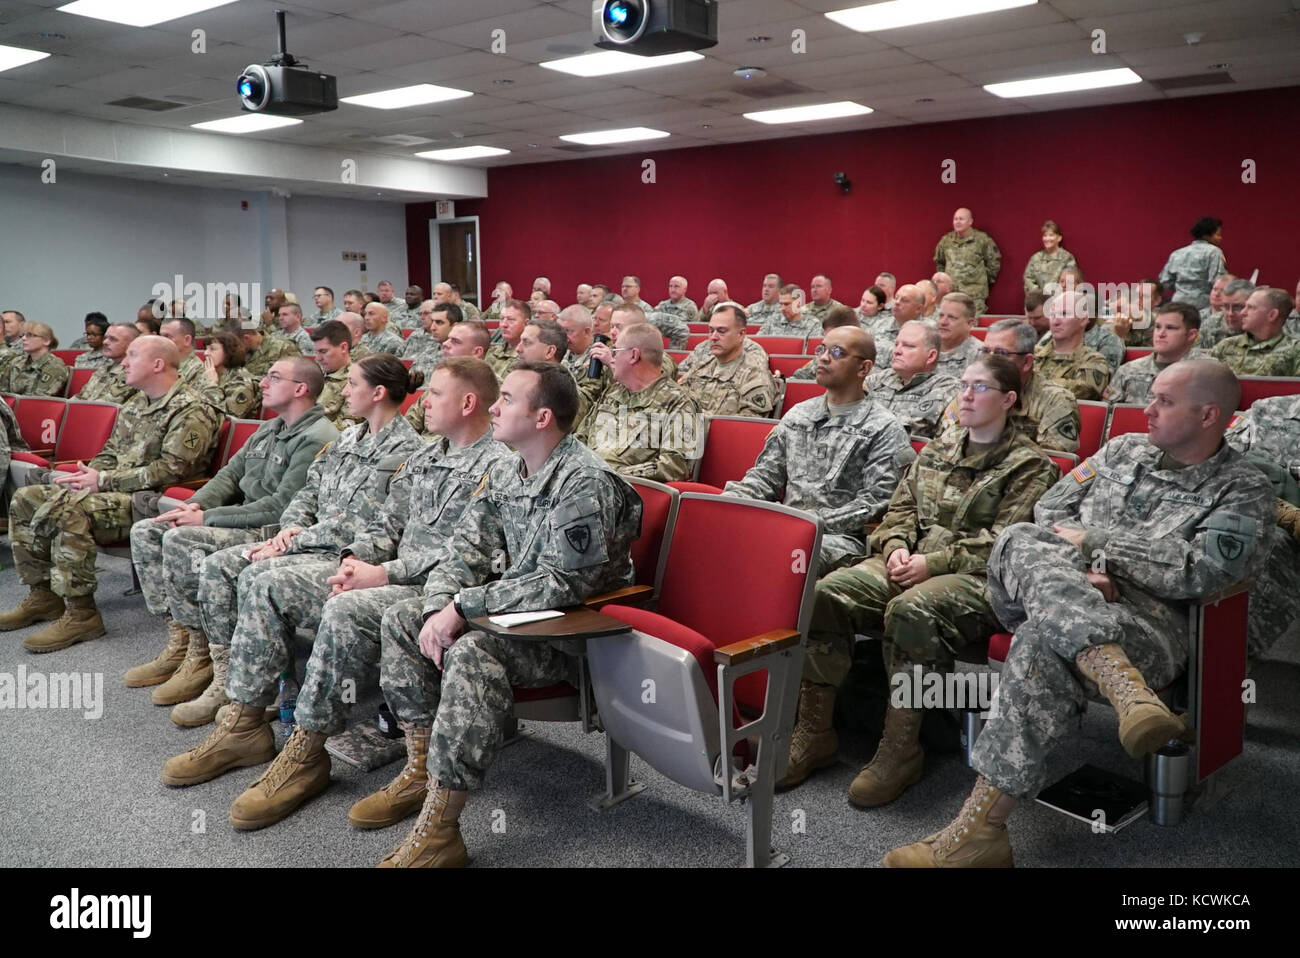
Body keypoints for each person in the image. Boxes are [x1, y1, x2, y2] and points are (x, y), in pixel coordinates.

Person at [885, 360, 1273, 868]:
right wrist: (1079, 568)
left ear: (1208, 415)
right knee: (1021, 536)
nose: (1147, 410)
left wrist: (1098, 547)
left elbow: (1201, 573)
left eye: (1164, 402)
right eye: (1149, 397)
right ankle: (1122, 688)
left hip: (1151, 630)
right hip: (1055, 586)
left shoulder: (1243, 487)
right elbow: (1048, 511)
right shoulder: (1122, 450)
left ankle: (979, 831)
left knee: (1043, 638)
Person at [159, 361, 510, 829]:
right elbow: (386, 526)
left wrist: (381, 573)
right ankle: (245, 722)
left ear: (468, 403)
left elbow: (468, 554)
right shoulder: (427, 457)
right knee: (266, 581)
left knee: (344, 607)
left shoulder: (500, 465)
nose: (424, 401)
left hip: (440, 588)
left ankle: (309, 748)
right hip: (392, 573)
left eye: (437, 395)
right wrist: (354, 561)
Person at [370, 362, 642, 867]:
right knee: (404, 620)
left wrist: (464, 607)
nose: (494, 406)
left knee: (473, 649)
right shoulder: (507, 468)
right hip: (520, 620)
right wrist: (438, 607)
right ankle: (420, 766)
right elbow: (464, 551)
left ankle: (441, 829)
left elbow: (566, 584)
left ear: (542, 418)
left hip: (573, 640)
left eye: (508, 399)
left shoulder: (582, 481)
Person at [781, 355, 1058, 793]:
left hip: (977, 578)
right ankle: (815, 732)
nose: (966, 394)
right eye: (964, 384)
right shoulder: (938, 447)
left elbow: (1005, 541)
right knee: (826, 595)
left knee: (914, 610)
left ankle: (901, 746)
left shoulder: (1031, 466)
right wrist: (894, 548)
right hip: (908, 562)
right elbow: (900, 510)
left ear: (1008, 399)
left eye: (980, 387)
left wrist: (933, 563)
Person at [155, 354, 425, 742]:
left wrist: (295, 539)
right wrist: (292, 525)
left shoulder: (404, 451)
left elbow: (366, 525)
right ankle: (239, 681)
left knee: (258, 577)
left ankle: (261, 696)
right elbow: (308, 491)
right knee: (222, 567)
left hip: (349, 555)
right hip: (310, 542)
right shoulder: (349, 436)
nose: (343, 391)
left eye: (351, 384)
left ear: (378, 392)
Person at [124, 357, 338, 722]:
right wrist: (192, 505)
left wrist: (206, 517)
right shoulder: (269, 429)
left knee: (182, 540)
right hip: (238, 519)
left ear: (301, 388)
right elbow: (228, 476)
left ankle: (221, 667)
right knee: (148, 530)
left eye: (273, 377)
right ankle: (189, 644)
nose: (263, 383)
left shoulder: (317, 437)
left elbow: (281, 507)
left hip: (270, 531)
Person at [0, 336, 222, 651]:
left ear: (157, 364)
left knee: (69, 510)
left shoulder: (193, 408)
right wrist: (87, 475)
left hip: (150, 501)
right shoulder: (136, 401)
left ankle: (82, 613)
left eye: (132, 355)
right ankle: (44, 594)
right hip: (112, 490)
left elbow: (173, 471)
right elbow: (110, 452)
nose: (124, 362)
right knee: (26, 498)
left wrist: (103, 481)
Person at [726, 326, 913, 575]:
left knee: (787, 556)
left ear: (864, 369)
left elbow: (876, 502)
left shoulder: (884, 428)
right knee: (720, 537)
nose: (824, 358)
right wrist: (730, 502)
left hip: (840, 539)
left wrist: (807, 523)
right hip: (785, 526)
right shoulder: (799, 414)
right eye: (821, 349)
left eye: (837, 352)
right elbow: (765, 476)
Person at [576, 322, 702, 482]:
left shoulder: (680, 403)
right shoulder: (612, 392)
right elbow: (580, 438)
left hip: (629, 492)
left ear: (634, 355)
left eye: (615, 351)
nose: (611, 358)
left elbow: (675, 467)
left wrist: (609, 473)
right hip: (584, 483)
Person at [1225, 395, 1300, 658]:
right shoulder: (1267, 411)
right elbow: (1222, 461)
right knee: (1242, 536)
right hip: (1267, 509)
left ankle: (1230, 655)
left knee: (1267, 544)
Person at [939, 319, 1081, 453]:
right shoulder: (970, 392)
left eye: (1001, 353)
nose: (990, 360)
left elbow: (1052, 463)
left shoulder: (1056, 400)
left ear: (1026, 362)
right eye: (986, 351)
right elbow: (945, 441)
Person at [677, 303, 777, 417]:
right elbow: (675, 401)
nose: (714, 337)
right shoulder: (701, 367)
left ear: (741, 334)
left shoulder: (754, 375)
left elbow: (747, 427)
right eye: (711, 331)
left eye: (721, 331)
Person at [870, 321, 961, 438]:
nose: (897, 351)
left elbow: (915, 429)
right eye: (896, 344)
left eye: (908, 346)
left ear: (931, 356)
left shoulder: (946, 385)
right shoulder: (878, 379)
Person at [1104, 302, 1204, 405]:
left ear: (1191, 335)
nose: (1161, 334)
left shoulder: (1206, 373)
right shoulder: (1127, 370)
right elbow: (1108, 415)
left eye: (1170, 328)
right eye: (1157, 327)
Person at [1034, 291, 1111, 400]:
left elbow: (1083, 392)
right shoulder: (1032, 355)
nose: (1055, 321)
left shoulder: (1093, 360)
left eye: (1064, 314)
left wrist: (1031, 382)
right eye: (1052, 314)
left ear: (1083, 319)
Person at [1209, 286, 1300, 376]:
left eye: (1251, 307)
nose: (1243, 313)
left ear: (1272, 315)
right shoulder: (1226, 345)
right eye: (1245, 307)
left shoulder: (1295, 350)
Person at [933, 208, 1001, 316]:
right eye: (955, 219)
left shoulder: (982, 239)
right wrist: (944, 282)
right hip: (951, 294)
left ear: (970, 221)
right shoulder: (946, 240)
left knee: (971, 324)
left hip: (974, 295)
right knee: (951, 323)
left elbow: (994, 263)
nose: (958, 222)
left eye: (961, 219)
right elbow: (939, 262)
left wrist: (982, 281)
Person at [1159, 216, 1227, 309]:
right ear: (1207, 235)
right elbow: (1217, 281)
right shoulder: (1214, 252)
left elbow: (1165, 281)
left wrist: (1183, 289)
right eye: (1218, 234)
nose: (1220, 238)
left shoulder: (1177, 253)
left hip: (1177, 304)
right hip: (1202, 306)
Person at [197, 330, 260, 418]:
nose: (205, 353)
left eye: (212, 349)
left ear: (228, 352)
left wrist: (212, 384)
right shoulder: (207, 372)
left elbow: (228, 417)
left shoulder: (241, 380)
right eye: (206, 349)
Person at [309, 320, 359, 429]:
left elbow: (346, 429)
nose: (318, 358)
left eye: (323, 351)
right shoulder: (314, 375)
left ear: (343, 348)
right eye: (316, 352)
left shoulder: (357, 381)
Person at [75, 323, 140, 405]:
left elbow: (104, 406)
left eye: (113, 339)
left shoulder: (131, 374)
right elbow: (80, 397)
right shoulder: (103, 370)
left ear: (131, 344)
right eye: (105, 338)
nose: (105, 342)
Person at [0, 322, 68, 396]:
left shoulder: (54, 366)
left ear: (46, 341)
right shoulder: (16, 361)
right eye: (22, 335)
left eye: (30, 335)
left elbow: (38, 399)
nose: (23, 338)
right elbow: (3, 392)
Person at [402, 301, 459, 379]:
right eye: (433, 321)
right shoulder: (427, 351)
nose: (432, 328)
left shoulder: (460, 357)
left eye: (439, 322)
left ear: (455, 326)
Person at [934, 292, 984, 379]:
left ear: (969, 323)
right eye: (941, 316)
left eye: (951, 317)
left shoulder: (981, 355)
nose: (943, 322)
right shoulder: (926, 347)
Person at [1023, 219, 1078, 296]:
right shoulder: (1035, 258)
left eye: (1051, 235)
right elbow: (1028, 279)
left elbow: (1070, 283)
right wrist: (1039, 295)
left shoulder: (1067, 258)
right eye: (1045, 235)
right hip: (1037, 302)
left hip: (1059, 302)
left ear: (1059, 238)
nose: (1047, 238)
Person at [485, 299, 529, 381]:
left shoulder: (529, 356)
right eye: (501, 319)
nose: (504, 325)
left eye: (511, 320)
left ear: (526, 323)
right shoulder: (492, 351)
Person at [1196, 274, 1236, 347]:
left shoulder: (1235, 318)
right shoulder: (1197, 316)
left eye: (1223, 291)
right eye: (1215, 289)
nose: (1216, 294)